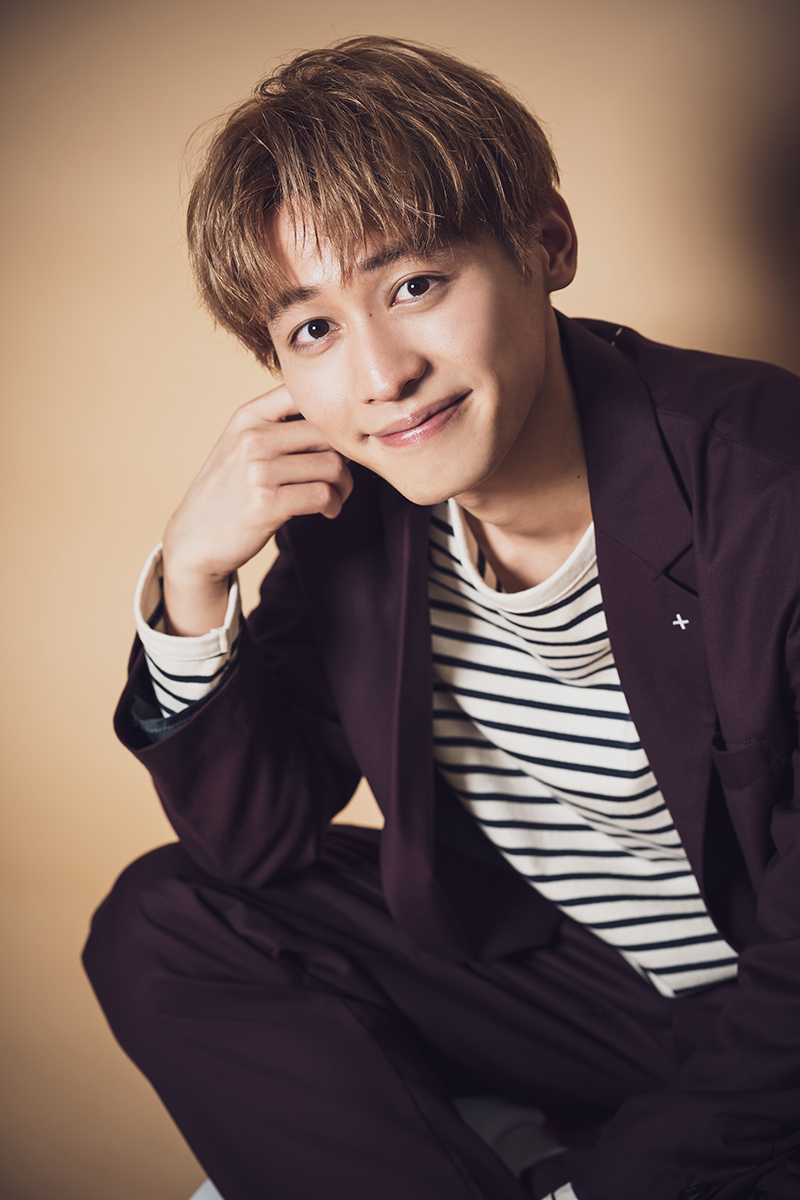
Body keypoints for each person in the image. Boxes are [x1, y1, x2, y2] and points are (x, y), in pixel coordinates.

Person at [83, 34, 800, 1200]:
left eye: (413, 285)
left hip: (769, 1019)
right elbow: (252, 845)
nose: (380, 377)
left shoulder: (770, 490)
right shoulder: (359, 510)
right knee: (166, 923)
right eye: (313, 329)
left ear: (545, 243)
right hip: (593, 1000)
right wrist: (194, 579)